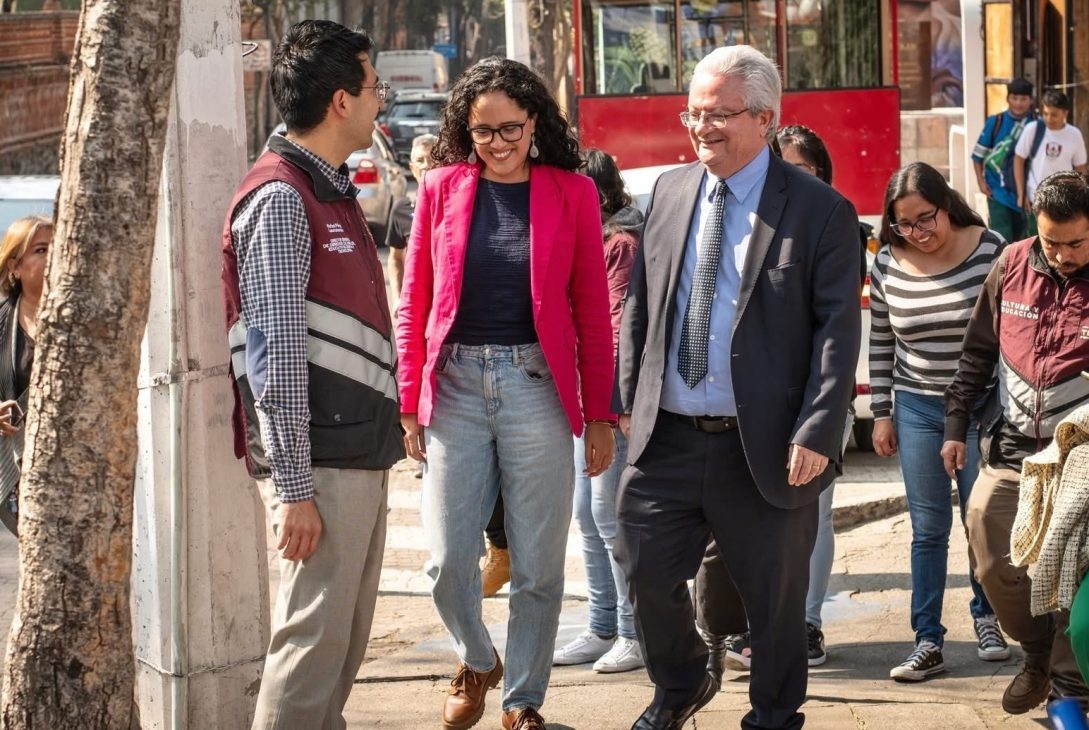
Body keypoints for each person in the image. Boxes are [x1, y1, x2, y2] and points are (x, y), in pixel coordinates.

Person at [614, 45, 860, 730]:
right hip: (666, 436)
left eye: (719, 115)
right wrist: (628, 402)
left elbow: (836, 333)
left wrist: (817, 429)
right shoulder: (667, 192)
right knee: (641, 573)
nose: (702, 129)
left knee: (775, 605)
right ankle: (680, 682)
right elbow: (641, 306)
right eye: (692, 114)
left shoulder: (818, 211)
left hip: (765, 445)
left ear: (763, 118)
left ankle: (775, 716)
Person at [396, 57, 615, 730]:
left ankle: (522, 700)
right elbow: (414, 299)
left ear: (534, 125)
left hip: (536, 388)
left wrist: (600, 413)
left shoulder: (570, 192)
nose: (496, 142)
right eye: (482, 130)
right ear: (466, 129)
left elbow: (591, 312)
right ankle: (476, 657)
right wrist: (408, 401)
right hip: (455, 385)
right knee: (445, 560)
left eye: (510, 129)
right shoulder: (439, 188)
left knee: (539, 565)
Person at [220, 20, 403, 729]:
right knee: (310, 653)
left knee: (338, 648)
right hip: (321, 464)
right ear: (339, 101)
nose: (380, 98)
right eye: (372, 84)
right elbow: (274, 354)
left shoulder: (321, 187)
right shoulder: (282, 198)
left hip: (354, 450)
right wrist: (294, 489)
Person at [694, 124, 866, 679]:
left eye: (804, 171)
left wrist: (818, 423)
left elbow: (839, 331)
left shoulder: (833, 223)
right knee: (730, 531)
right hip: (743, 411)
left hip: (813, 404)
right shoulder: (737, 224)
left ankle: (802, 624)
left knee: (805, 522)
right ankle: (737, 629)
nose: (788, 183)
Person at [943, 170, 1089, 715]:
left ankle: (1069, 684)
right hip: (1010, 451)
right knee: (985, 534)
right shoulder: (1011, 265)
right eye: (1052, 241)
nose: (1063, 254)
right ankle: (1034, 652)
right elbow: (978, 352)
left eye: (1075, 242)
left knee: (1074, 569)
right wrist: (955, 426)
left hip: (1080, 459)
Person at [867, 162, 1009, 682]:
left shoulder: (989, 248)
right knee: (928, 529)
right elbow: (881, 340)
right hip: (918, 407)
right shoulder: (885, 264)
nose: (917, 234)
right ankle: (927, 638)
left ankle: (988, 617)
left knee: (981, 523)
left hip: (982, 407)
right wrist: (882, 412)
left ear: (945, 205)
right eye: (903, 225)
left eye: (925, 220)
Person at [553, 148, 645, 674]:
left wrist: (610, 409)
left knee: (612, 519)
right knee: (587, 518)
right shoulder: (588, 241)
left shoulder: (621, 246)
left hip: (608, 406)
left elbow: (615, 332)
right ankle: (601, 625)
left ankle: (635, 633)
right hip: (583, 401)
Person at [0, 215, 50, 536]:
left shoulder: (81, 316)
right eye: (41, 250)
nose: (54, 256)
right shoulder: (2, 323)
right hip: (25, 473)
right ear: (15, 267)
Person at [1014, 90, 1088, 236]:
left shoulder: (1074, 135)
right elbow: (1018, 160)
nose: (1049, 118)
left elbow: (1080, 168)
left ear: (1065, 113)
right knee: (1036, 240)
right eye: (1045, 113)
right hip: (1035, 196)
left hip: (1064, 199)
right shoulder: (1033, 129)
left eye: (1054, 115)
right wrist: (1021, 194)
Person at [972, 77, 1036, 243]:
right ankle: (1003, 269)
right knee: (1002, 239)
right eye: (1014, 98)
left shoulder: (1038, 125)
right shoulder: (995, 122)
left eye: (1023, 99)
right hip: (998, 191)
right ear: (1008, 99)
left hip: (1028, 195)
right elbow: (977, 155)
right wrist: (981, 182)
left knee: (1027, 240)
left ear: (1031, 100)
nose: (1019, 103)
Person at [386, 132, 438, 305]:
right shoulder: (401, 210)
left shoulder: (459, 205)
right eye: (420, 161)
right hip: (418, 305)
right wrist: (396, 298)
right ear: (411, 167)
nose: (426, 166)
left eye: (432, 159)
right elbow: (395, 258)